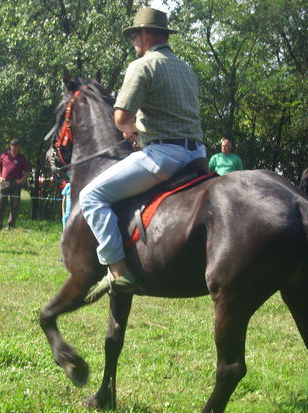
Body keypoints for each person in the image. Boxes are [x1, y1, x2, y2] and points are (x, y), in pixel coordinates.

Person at [79, 7, 206, 301]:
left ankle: (118, 270)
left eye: (135, 34)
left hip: (163, 156)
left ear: (147, 34)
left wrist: (132, 131)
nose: (134, 40)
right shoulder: (186, 69)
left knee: (91, 197)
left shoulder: (142, 66)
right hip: (197, 154)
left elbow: (122, 118)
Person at [0, 138, 30, 229]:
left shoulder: (22, 158)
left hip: (16, 184)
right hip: (4, 182)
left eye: (16, 146)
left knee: (14, 206)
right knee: (0, 205)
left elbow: (27, 171)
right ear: (10, 146)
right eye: (12, 145)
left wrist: (22, 180)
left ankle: (11, 225)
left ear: (19, 147)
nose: (14, 147)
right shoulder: (4, 155)